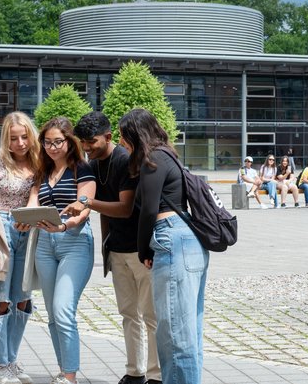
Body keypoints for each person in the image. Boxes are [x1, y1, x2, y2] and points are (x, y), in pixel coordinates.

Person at [65, 112, 161, 384]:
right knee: (129, 314)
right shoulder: (93, 163)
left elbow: (125, 207)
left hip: (142, 250)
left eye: (91, 141)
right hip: (117, 249)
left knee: (150, 315)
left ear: (108, 137)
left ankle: (156, 375)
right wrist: (106, 249)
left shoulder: (125, 160)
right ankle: (135, 372)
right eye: (82, 142)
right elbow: (106, 215)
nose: (86, 147)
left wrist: (87, 203)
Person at [118, 108, 209, 384]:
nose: (122, 143)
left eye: (124, 137)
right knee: (189, 332)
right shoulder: (170, 155)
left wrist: (143, 249)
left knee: (173, 336)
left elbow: (148, 210)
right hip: (190, 240)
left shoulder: (153, 159)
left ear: (134, 135)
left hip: (171, 238)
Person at [18, 117, 96, 384]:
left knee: (63, 310)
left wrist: (64, 226)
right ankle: (63, 372)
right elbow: (32, 202)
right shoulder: (42, 171)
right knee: (52, 313)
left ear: (69, 141)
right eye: (47, 142)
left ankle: (71, 376)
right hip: (44, 244)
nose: (52, 147)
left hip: (74, 241)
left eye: (58, 142)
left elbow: (84, 208)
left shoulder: (82, 169)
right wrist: (24, 219)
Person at [0, 112, 42, 384]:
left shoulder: (38, 163)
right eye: (14, 138)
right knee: (1, 299)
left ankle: (12, 359)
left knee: (23, 299)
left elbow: (35, 195)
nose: (20, 143)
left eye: (25, 136)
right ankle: (0, 363)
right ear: (6, 138)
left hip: (27, 228)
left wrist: (31, 213)